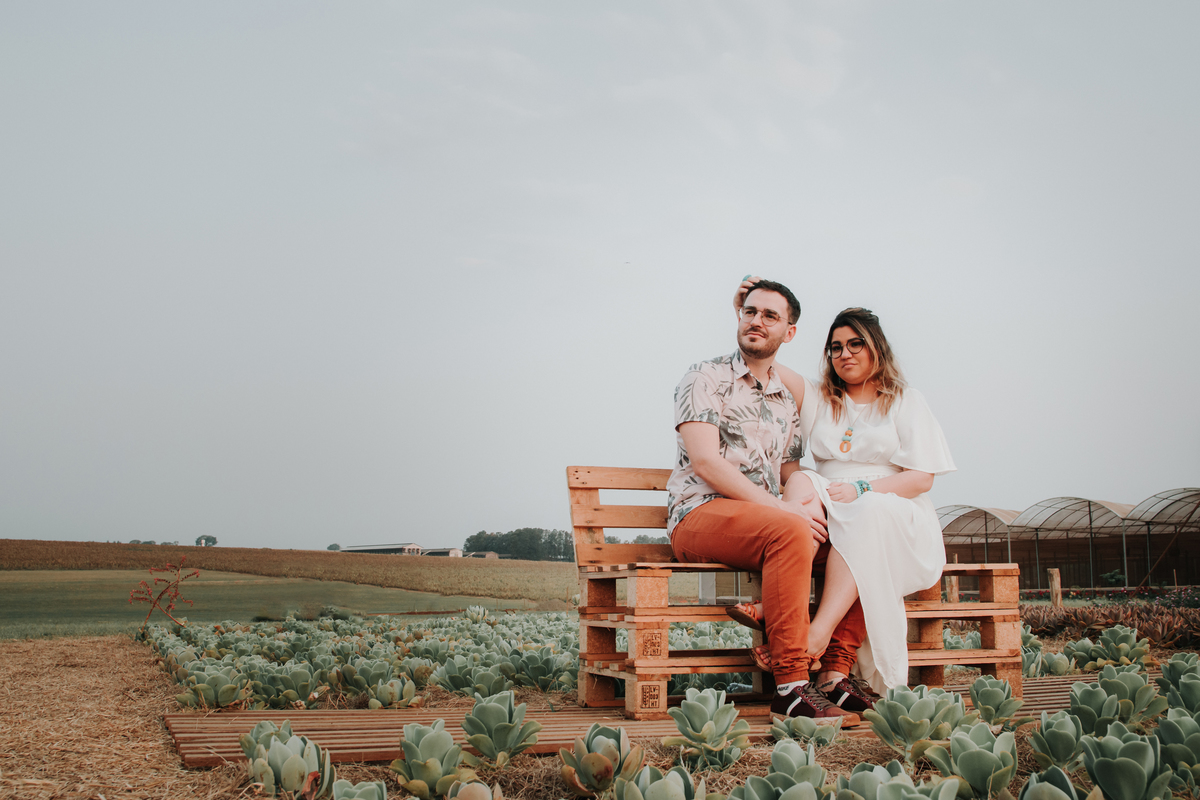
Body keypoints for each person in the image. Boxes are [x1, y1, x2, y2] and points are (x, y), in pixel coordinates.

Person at [732, 280, 956, 693]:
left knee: (867, 517)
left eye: (855, 344)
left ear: (876, 349)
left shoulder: (905, 400)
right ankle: (792, 614)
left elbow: (922, 477)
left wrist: (864, 491)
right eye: (835, 347)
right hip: (831, 507)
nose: (844, 354)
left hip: (891, 507)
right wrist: (743, 313)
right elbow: (763, 361)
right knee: (800, 478)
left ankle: (814, 634)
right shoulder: (819, 397)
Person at [667, 279, 866, 721]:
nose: (756, 321)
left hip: (767, 524)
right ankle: (791, 686)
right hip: (700, 514)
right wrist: (784, 510)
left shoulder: (784, 397)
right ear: (738, 316)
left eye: (770, 316)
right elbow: (705, 462)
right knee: (791, 527)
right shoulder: (706, 377)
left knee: (862, 538)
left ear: (789, 332)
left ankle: (834, 674)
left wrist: (815, 506)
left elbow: (789, 470)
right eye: (750, 311)